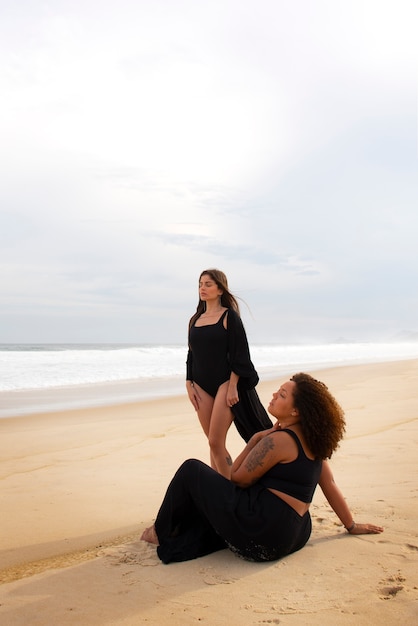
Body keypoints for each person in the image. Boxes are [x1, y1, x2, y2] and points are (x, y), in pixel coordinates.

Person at [141, 373, 384, 564]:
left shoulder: (277, 440)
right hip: (296, 534)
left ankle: (158, 532)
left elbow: (235, 480)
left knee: (191, 470)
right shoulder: (313, 440)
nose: (275, 394)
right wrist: (351, 525)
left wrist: (255, 440)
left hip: (263, 536)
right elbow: (329, 485)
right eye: (279, 390)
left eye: (282, 395)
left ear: (295, 411)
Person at [186, 269, 272, 478]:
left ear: (220, 289)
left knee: (216, 441)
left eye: (208, 284)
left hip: (225, 382)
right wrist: (189, 383)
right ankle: (219, 488)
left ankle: (228, 492)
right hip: (200, 384)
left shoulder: (229, 316)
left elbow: (240, 353)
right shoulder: (195, 319)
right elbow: (191, 354)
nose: (202, 288)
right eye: (200, 284)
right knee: (212, 444)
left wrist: (233, 385)